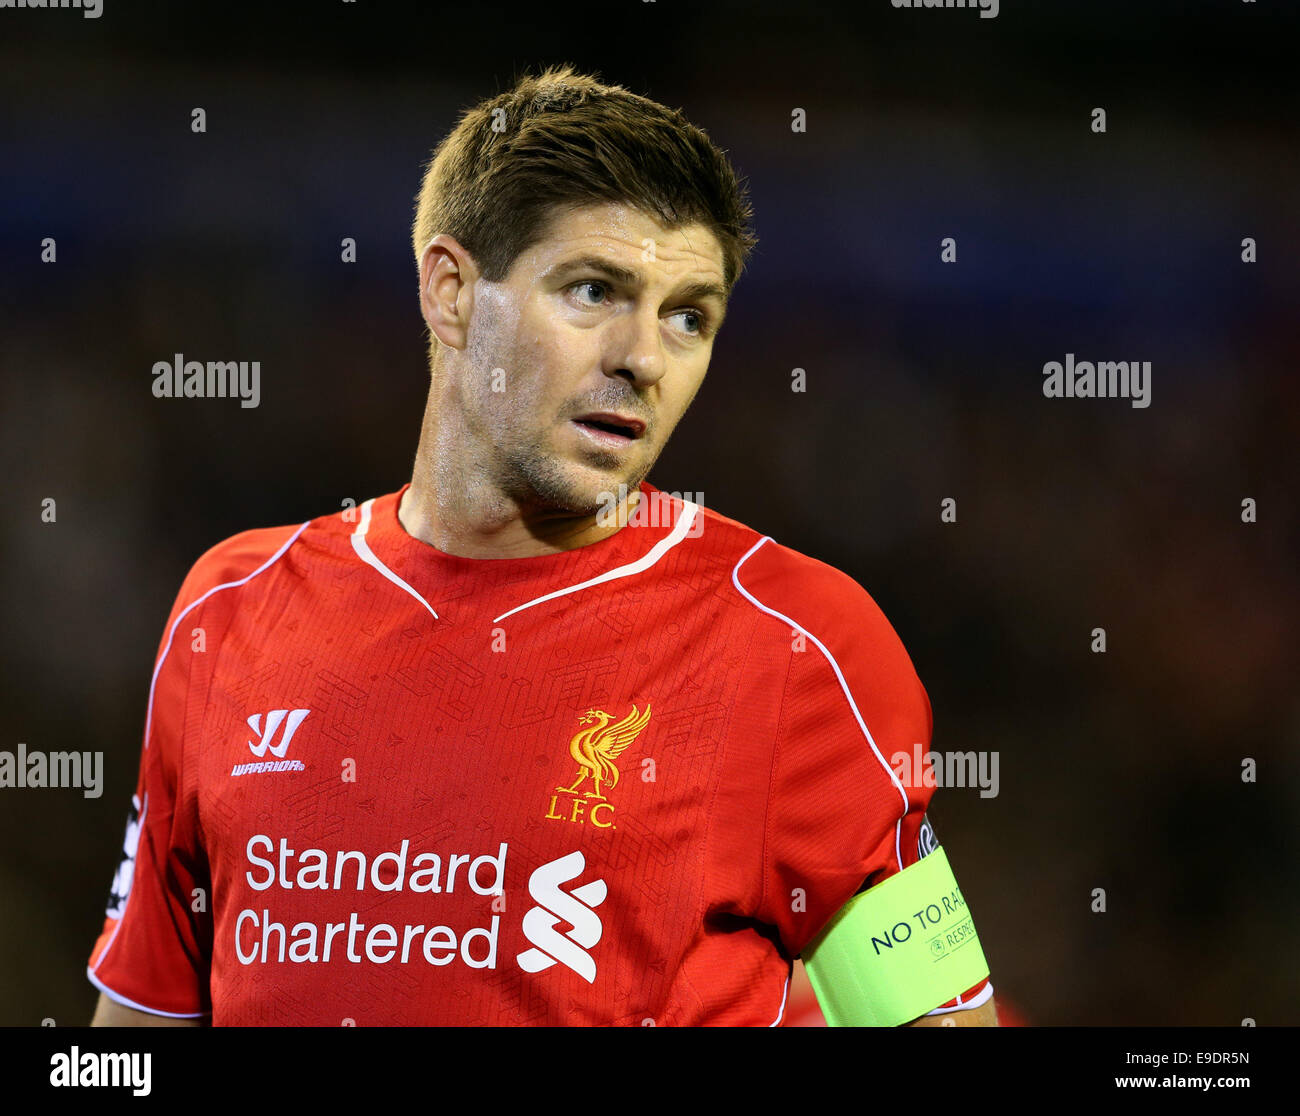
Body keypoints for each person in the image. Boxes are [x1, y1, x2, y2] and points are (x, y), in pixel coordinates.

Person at [87, 64, 996, 1027]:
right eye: (595, 290)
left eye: (689, 316)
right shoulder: (231, 609)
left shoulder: (800, 645)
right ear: (451, 293)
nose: (643, 358)